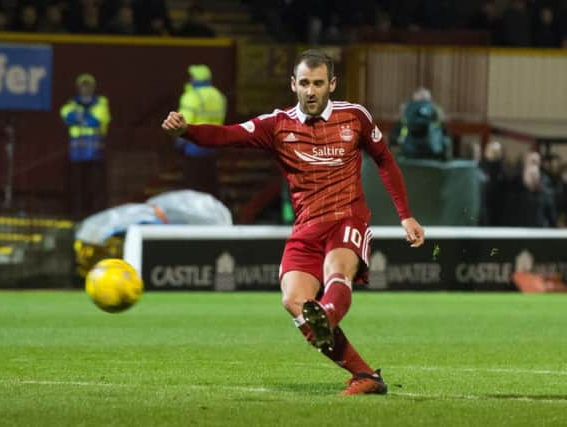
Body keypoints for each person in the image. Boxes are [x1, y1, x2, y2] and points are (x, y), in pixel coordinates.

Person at [162, 49, 425, 395]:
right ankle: (366, 375)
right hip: (306, 229)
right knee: (294, 301)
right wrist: (187, 131)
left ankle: (328, 314)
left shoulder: (354, 117)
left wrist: (405, 215)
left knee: (337, 271)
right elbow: (228, 135)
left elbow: (385, 161)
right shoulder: (277, 125)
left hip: (348, 218)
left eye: (318, 83)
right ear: (293, 85)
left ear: (331, 84)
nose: (311, 90)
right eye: (304, 83)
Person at [60, 73, 111, 219]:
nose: (85, 89)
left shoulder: (101, 102)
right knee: (76, 187)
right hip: (76, 155)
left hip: (95, 154)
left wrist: (80, 118)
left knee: (95, 187)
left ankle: (95, 215)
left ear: (93, 87)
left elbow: (96, 120)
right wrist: (85, 118)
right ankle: (76, 215)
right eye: (83, 85)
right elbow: (67, 116)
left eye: (88, 85)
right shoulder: (71, 104)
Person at [174, 65, 226, 196]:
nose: (190, 79)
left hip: (193, 147)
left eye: (192, 77)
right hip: (214, 145)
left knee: (193, 186)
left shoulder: (191, 96)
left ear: (196, 78)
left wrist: (178, 143)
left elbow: (182, 122)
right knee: (210, 185)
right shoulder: (219, 96)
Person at [393, 87, 451, 161]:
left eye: (425, 100)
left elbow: (443, 131)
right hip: (414, 150)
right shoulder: (409, 110)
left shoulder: (434, 110)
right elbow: (398, 134)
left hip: (427, 150)